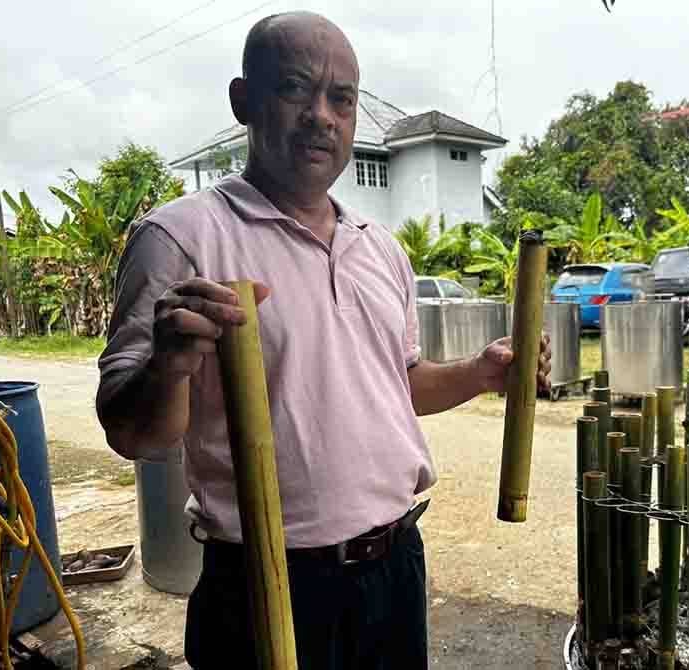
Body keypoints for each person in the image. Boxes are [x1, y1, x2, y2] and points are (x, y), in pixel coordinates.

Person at [95, 11, 551, 670]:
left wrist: (483, 373)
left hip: (393, 570)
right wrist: (167, 368)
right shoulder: (180, 237)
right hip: (263, 587)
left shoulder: (382, 250)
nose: (322, 115)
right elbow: (133, 435)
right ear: (243, 101)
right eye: (294, 90)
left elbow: (398, 384)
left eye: (342, 98)